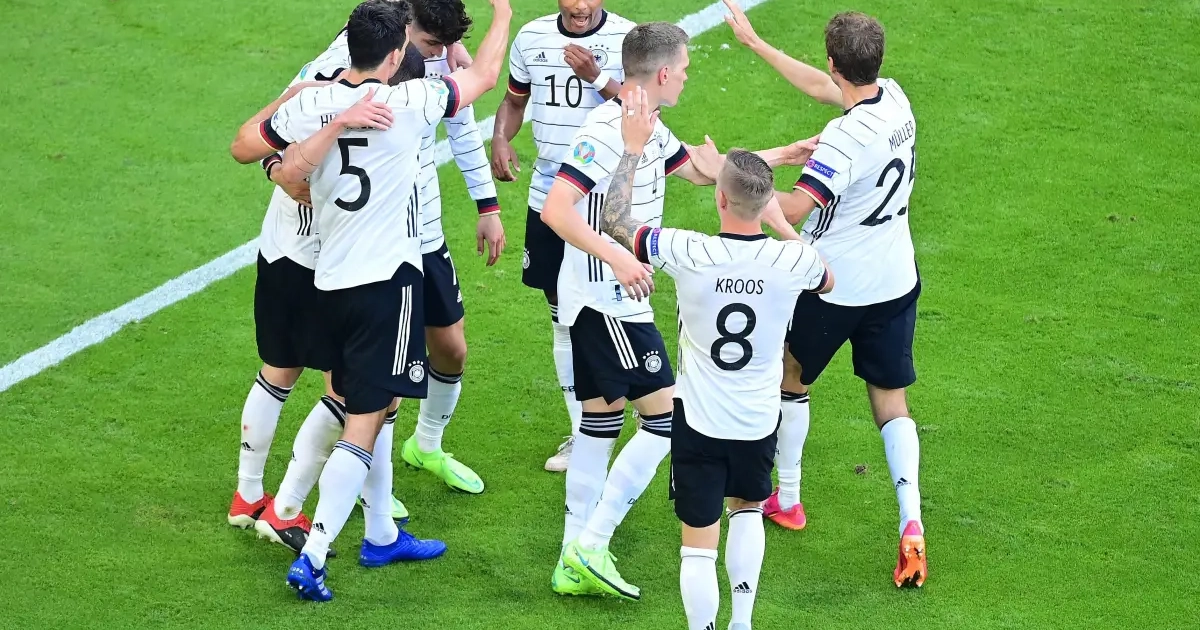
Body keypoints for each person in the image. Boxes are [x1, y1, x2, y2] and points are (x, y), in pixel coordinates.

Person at [229, 0, 514, 600]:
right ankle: (303, 534)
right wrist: (503, 11)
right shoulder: (409, 105)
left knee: (360, 402)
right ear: (397, 50)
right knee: (365, 415)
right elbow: (486, 75)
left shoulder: (314, 102)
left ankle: (373, 528)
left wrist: (306, 133)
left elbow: (254, 151)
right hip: (387, 284)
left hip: (327, 278)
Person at [540, 23, 812, 601]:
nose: (688, 76)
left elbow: (701, 170)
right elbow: (556, 210)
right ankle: (590, 543)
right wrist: (618, 256)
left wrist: (781, 155)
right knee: (666, 419)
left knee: (598, 425)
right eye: (684, 68)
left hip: (612, 299)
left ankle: (572, 557)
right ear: (663, 72)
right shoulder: (607, 131)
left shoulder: (648, 123)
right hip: (608, 301)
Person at [598, 90, 831, 630]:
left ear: (720, 200)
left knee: (697, 546)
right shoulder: (791, 260)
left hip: (700, 422)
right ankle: (742, 622)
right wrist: (783, 225)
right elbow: (826, 278)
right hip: (757, 419)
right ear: (763, 204)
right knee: (747, 509)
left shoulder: (689, 251)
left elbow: (614, 219)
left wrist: (632, 149)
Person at [724, 0, 928, 587]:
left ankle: (787, 498)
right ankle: (911, 521)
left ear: (835, 61)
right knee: (891, 401)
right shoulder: (895, 99)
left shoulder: (843, 139)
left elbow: (791, 208)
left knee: (790, 374)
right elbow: (825, 88)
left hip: (834, 285)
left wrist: (742, 171)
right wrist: (757, 45)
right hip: (896, 278)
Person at [490, 0, 635, 472]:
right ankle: (582, 431)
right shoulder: (532, 38)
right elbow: (515, 101)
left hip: (607, 202)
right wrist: (501, 137)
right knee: (561, 316)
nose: (580, 6)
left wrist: (597, 76)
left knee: (617, 306)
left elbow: (644, 112)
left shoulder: (627, 39)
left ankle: (642, 395)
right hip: (549, 200)